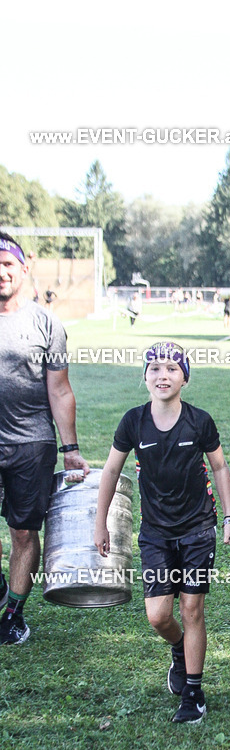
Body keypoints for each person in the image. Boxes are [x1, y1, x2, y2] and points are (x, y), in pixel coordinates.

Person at [94, 342, 230, 724]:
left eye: (172, 369)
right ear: (144, 376)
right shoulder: (133, 422)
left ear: (185, 378)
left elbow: (220, 468)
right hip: (155, 533)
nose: (163, 375)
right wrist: (100, 522)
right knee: (158, 616)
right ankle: (178, 648)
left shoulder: (200, 421)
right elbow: (110, 472)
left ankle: (193, 691)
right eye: (155, 368)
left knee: (192, 609)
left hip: (197, 529)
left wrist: (228, 518)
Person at [0, 232, 89, 645]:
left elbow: (60, 390)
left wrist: (70, 449)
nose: (1, 273)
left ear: (23, 268)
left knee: (23, 532)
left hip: (30, 444)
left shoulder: (45, 324)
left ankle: (14, 614)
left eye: (7, 265)